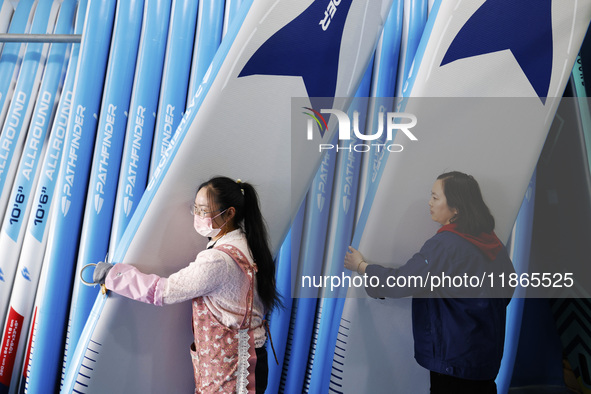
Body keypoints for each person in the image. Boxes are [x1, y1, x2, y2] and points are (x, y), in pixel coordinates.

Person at [92, 176, 281, 393]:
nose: (198, 216)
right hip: (248, 358)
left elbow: (163, 291)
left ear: (229, 213)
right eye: (196, 209)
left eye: (204, 211)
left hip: (235, 368)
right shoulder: (247, 243)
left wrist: (114, 276)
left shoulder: (217, 260)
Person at [344, 171, 515, 394]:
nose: (430, 202)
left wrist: (362, 267)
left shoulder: (446, 245)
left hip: (454, 360)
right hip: (484, 356)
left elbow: (401, 282)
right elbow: (508, 287)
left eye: (435, 197)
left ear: (456, 207)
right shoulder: (492, 242)